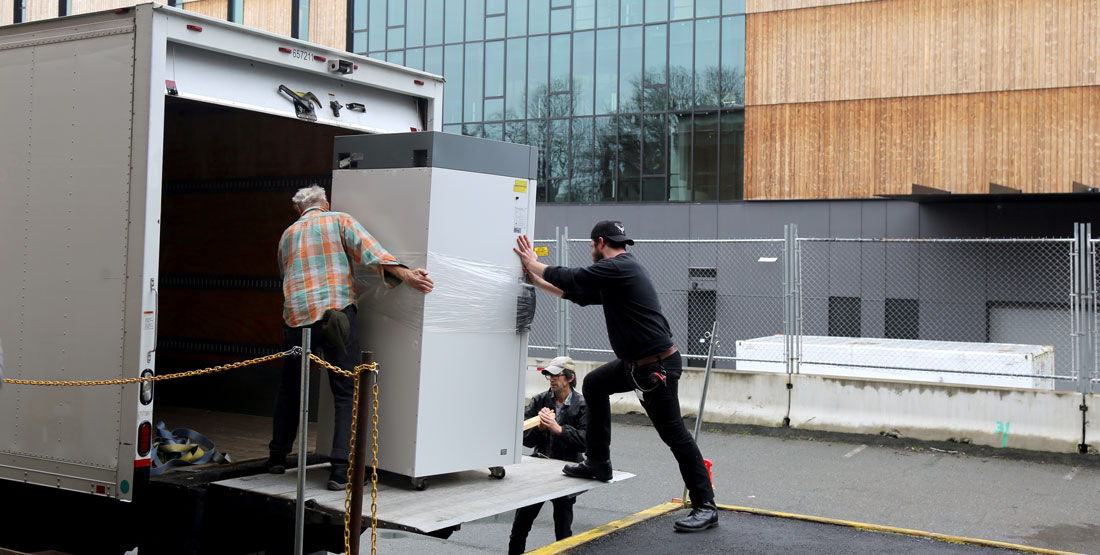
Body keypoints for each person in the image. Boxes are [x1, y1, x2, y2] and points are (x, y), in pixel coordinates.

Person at [513, 221, 718, 532]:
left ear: (598, 242)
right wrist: (535, 279)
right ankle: (598, 462)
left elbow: (574, 277)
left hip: (656, 367)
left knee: (674, 435)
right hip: (636, 364)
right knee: (594, 384)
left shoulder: (619, 266)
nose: (591, 252)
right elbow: (576, 293)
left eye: (591, 247)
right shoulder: (616, 277)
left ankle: (706, 505)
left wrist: (533, 263)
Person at [267, 185, 433, 490]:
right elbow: (370, 252)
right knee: (345, 391)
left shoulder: (287, 234)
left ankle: (277, 457)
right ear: (325, 204)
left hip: (296, 318)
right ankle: (339, 471)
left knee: (291, 389)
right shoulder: (339, 220)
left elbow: (284, 274)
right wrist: (407, 275)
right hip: (336, 315)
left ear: (299, 210)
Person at [508, 356, 587, 555]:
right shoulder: (539, 400)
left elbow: (587, 441)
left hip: (566, 472)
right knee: (519, 530)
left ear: (569, 378)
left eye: (556, 375)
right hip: (538, 473)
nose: (551, 379)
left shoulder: (583, 404)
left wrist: (559, 429)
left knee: (563, 533)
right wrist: (541, 428)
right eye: (548, 375)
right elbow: (524, 439)